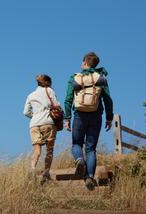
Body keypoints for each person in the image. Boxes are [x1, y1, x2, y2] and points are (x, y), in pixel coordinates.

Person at [64, 52, 113, 190]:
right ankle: (90, 177)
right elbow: (108, 100)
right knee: (91, 149)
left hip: (79, 114)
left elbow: (68, 99)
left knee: (77, 144)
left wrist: (67, 118)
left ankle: (79, 160)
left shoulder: (75, 78)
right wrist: (109, 117)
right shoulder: (101, 78)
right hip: (95, 115)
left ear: (85, 62)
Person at [24, 74, 61, 183]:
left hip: (34, 124)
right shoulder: (49, 91)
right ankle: (46, 172)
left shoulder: (31, 95)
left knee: (36, 150)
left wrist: (35, 115)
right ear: (48, 82)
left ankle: (32, 169)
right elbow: (56, 104)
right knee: (49, 150)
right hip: (48, 123)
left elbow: (25, 112)